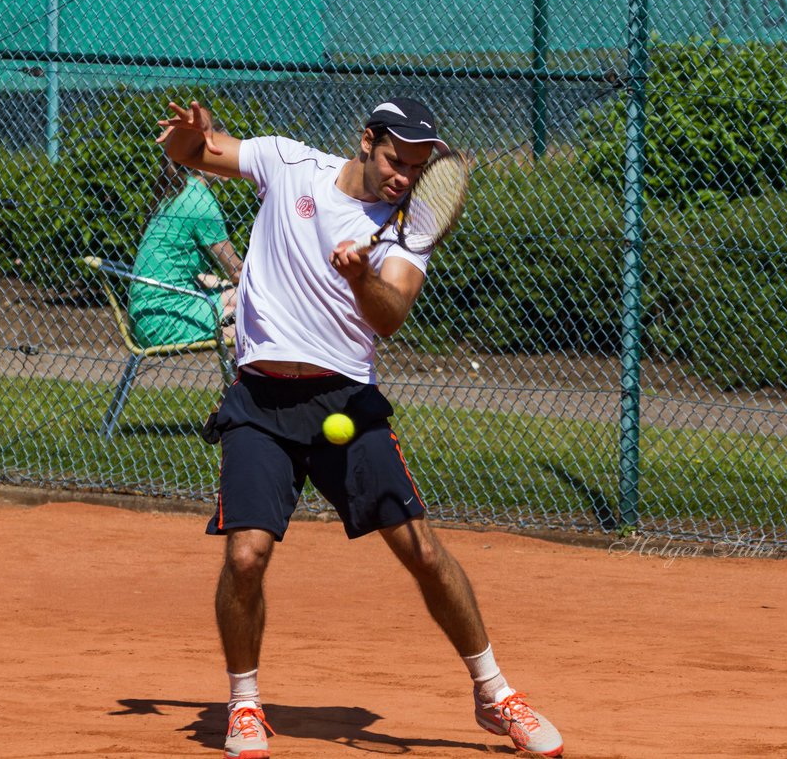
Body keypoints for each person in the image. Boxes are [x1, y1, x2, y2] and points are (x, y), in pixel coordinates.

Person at [159, 97, 564, 758]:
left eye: (415, 166)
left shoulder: (406, 231)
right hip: (260, 403)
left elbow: (391, 314)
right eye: (394, 160)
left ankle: (494, 695)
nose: (403, 176)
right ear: (366, 140)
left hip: (346, 401)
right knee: (245, 555)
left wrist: (357, 280)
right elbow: (200, 154)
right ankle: (244, 704)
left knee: (423, 552)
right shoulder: (290, 163)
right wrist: (184, 139)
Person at [129, 161, 242, 348]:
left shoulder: (180, 192)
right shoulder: (200, 202)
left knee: (244, 303)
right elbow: (236, 272)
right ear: (199, 159)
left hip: (149, 313)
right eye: (219, 151)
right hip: (165, 319)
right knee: (257, 316)